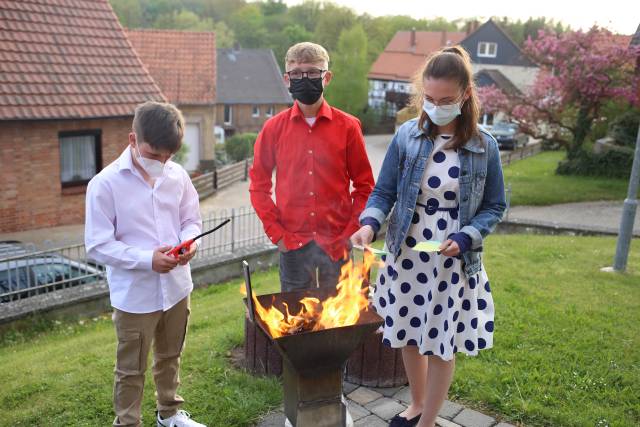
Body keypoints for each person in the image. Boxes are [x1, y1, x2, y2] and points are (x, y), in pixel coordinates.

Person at [351, 46, 506, 427]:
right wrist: (369, 222)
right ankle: (416, 404)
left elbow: (495, 205)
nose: (435, 107)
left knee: (439, 342)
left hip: (450, 258)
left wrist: (468, 236)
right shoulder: (408, 134)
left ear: (466, 95)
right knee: (406, 330)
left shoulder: (484, 145)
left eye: (446, 100)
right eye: (430, 99)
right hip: (406, 251)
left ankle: (427, 422)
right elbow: (383, 191)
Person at [85, 101, 205, 427]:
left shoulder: (176, 174)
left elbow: (192, 220)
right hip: (135, 297)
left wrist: (189, 244)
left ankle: (169, 414)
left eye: (169, 155)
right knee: (130, 369)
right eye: (156, 156)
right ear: (132, 140)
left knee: (170, 357)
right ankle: (128, 423)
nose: (163, 163)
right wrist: (146, 260)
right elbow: (97, 244)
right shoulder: (104, 184)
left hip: (178, 288)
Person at [250, 42, 375, 292]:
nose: (304, 78)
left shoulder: (348, 127)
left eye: (312, 72)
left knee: (338, 320)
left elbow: (365, 186)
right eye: (296, 73)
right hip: (292, 243)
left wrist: (350, 231)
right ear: (287, 79)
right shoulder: (273, 129)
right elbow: (258, 187)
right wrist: (278, 235)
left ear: (326, 77)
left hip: (337, 244)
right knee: (296, 323)